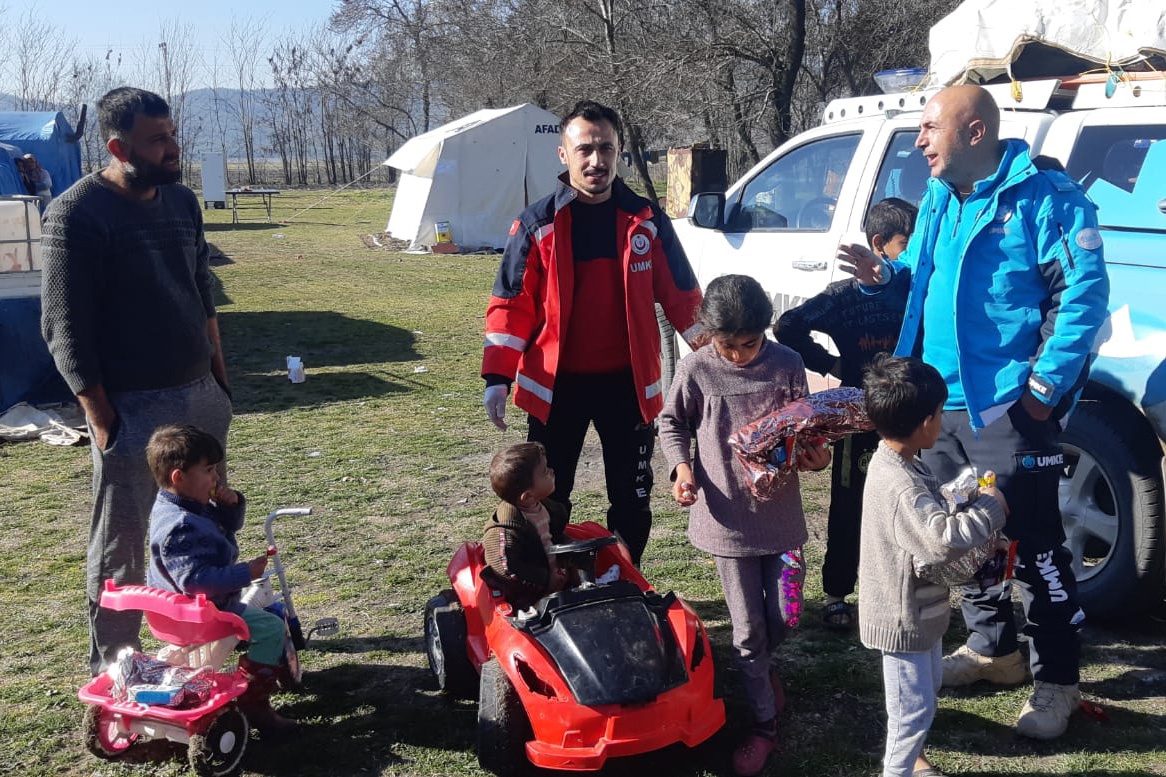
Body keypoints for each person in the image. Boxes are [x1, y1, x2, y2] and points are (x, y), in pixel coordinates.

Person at [838, 84, 1110, 739]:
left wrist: (1043, 387)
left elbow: (1084, 294)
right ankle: (994, 650)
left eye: (931, 127)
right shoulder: (937, 199)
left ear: (976, 132)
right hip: (935, 408)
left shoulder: (1047, 201)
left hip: (1008, 414)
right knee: (961, 540)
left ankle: (1057, 684)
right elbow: (932, 277)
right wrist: (888, 276)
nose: (920, 139)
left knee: (1037, 546)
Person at [40, 86, 232, 675]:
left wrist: (220, 385)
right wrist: (103, 420)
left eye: (172, 134)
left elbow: (204, 297)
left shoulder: (181, 203)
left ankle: (211, 648)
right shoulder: (76, 214)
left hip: (200, 393)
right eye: (158, 140)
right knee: (123, 544)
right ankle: (117, 667)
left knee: (208, 520)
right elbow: (63, 326)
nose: (173, 148)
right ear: (118, 146)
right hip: (132, 409)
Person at [481, 99, 704, 566]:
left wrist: (718, 357)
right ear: (563, 154)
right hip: (555, 389)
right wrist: (496, 379)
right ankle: (548, 582)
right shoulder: (538, 224)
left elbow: (683, 295)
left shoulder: (646, 220)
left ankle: (625, 579)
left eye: (606, 148)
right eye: (584, 149)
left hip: (629, 387)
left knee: (632, 498)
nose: (596, 160)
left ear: (619, 151)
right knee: (546, 497)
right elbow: (511, 306)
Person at [658, 274, 831, 777]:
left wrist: (814, 457)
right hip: (726, 522)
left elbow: (806, 431)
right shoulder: (696, 369)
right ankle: (762, 725)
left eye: (749, 344)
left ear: (765, 332)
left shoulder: (788, 365)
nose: (736, 355)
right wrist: (683, 468)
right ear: (709, 334)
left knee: (787, 614)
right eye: (726, 345)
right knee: (749, 631)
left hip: (782, 521)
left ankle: (759, 671)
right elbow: (672, 422)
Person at [859, 355, 1008, 777]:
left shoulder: (902, 462)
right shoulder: (900, 483)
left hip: (921, 610)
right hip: (901, 615)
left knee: (926, 692)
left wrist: (960, 498)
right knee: (912, 711)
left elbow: (925, 520)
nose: (942, 420)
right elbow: (940, 540)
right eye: (941, 413)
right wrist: (989, 511)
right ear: (927, 422)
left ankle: (912, 765)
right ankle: (898, 771)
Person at [774, 197, 917, 630]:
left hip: (910, 413)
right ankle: (837, 593)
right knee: (849, 503)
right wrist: (830, 364)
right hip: (857, 415)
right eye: (904, 243)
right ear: (879, 243)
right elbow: (787, 326)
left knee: (910, 500)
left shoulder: (914, 285)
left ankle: (903, 588)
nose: (911, 253)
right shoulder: (841, 296)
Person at [145, 424, 294, 734]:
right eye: (209, 470)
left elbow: (225, 527)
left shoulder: (175, 504)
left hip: (179, 609)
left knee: (256, 618)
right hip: (203, 611)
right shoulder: (182, 524)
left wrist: (231, 505)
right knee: (269, 628)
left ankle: (253, 682)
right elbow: (195, 580)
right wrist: (245, 573)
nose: (216, 478)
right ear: (179, 477)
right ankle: (255, 702)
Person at [481, 441, 571, 609]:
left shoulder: (546, 508)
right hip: (527, 595)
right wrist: (546, 580)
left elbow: (555, 537)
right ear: (528, 496)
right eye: (545, 472)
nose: (552, 471)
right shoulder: (506, 531)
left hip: (557, 579)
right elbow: (507, 569)